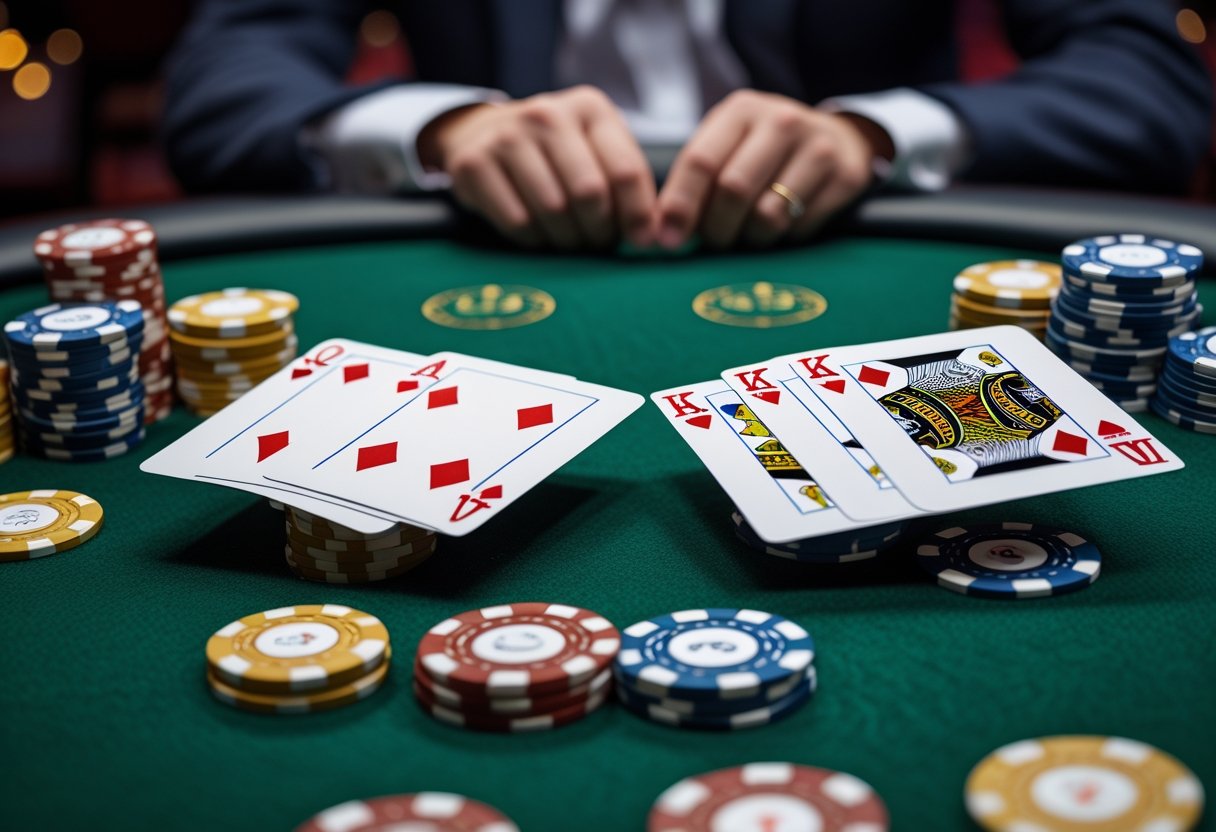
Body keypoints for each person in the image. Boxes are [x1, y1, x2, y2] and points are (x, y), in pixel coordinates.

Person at [163, 0, 1212, 251]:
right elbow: (226, 77)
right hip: (477, 238)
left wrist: (873, 136)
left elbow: (1141, 76)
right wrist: (443, 127)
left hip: (853, 237)